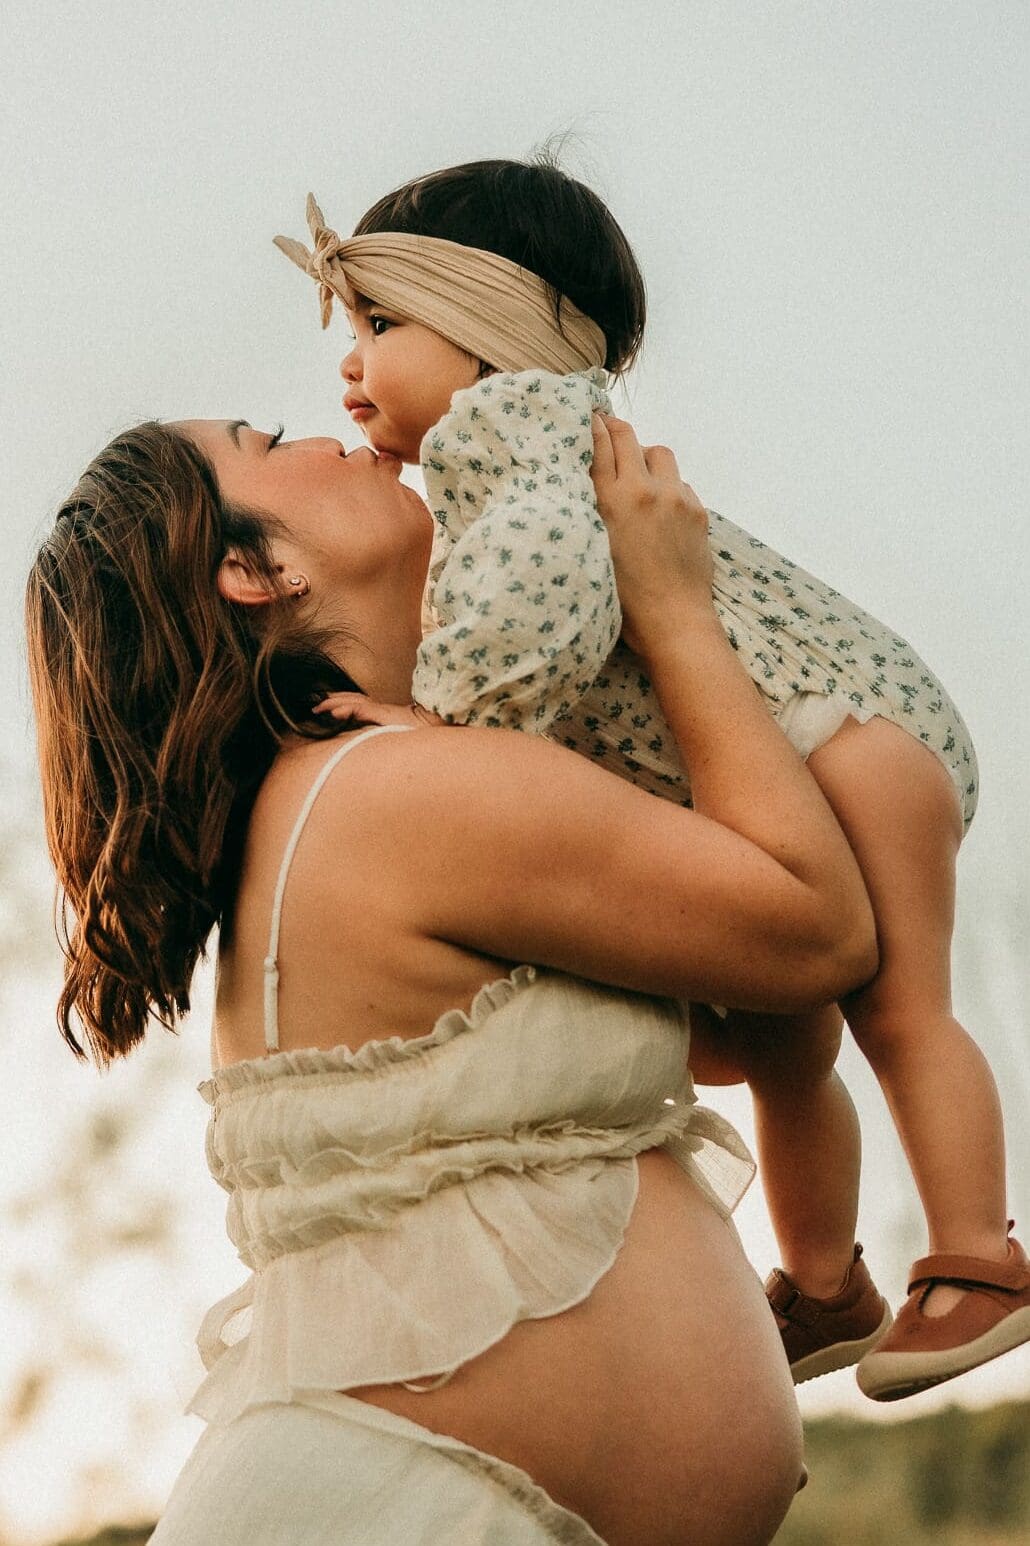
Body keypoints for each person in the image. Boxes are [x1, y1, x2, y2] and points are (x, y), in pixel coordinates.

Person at [27, 412, 876, 1545]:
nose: (332, 432)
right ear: (253, 567)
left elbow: (732, 1014)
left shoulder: (366, 788)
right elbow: (815, 929)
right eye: (267, 440)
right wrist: (675, 613)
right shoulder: (392, 794)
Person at [273, 160, 1030, 1402]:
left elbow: (536, 619)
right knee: (788, 1047)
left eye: (377, 324)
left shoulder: (514, 448)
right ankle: (824, 1283)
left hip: (847, 737)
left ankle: (979, 1259)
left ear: (490, 328)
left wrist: (433, 722)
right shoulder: (501, 461)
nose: (348, 366)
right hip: (783, 758)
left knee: (898, 1013)